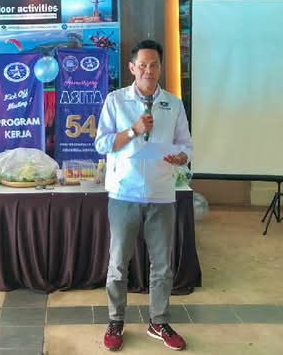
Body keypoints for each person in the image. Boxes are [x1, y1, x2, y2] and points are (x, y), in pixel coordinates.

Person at [95, 39, 192, 352]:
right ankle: (115, 321)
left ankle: (159, 321)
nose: (149, 70)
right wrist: (133, 130)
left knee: (162, 266)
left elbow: (186, 146)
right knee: (117, 264)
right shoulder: (115, 100)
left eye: (154, 65)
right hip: (124, 193)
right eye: (143, 65)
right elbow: (101, 144)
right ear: (132, 67)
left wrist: (181, 157)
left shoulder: (173, 104)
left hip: (162, 194)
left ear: (161, 67)